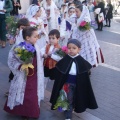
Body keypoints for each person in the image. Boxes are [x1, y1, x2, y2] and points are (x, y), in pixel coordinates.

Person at [50, 39, 98, 120]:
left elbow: (86, 71)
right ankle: (68, 115)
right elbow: (59, 70)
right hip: (67, 84)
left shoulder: (81, 60)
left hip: (78, 84)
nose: (71, 50)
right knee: (69, 99)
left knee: (76, 98)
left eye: (74, 48)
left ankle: (69, 109)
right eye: (69, 48)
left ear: (79, 49)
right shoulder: (65, 59)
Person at [4, 27, 44, 120]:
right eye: (35, 36)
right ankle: (24, 112)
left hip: (34, 75)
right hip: (23, 75)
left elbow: (38, 57)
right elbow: (11, 59)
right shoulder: (19, 47)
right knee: (24, 93)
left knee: (33, 93)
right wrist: (20, 66)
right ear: (27, 38)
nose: (37, 38)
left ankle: (33, 111)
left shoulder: (36, 46)